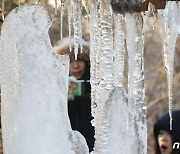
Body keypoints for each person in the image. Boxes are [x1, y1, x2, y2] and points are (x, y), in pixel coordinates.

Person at [54, 37, 95, 152]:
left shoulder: (98, 84)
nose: (75, 66)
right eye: (70, 61)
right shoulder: (55, 85)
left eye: (79, 60)